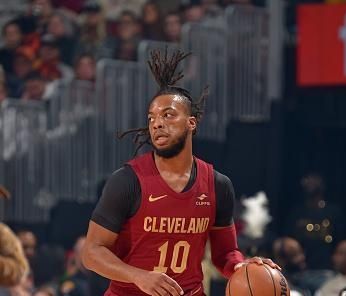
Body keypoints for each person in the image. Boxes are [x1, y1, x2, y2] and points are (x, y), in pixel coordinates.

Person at [82, 48, 279, 296]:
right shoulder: (128, 181)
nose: (157, 123)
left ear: (191, 123)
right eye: (152, 117)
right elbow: (92, 253)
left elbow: (224, 254)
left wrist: (241, 266)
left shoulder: (217, 184)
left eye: (168, 115)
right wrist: (138, 276)